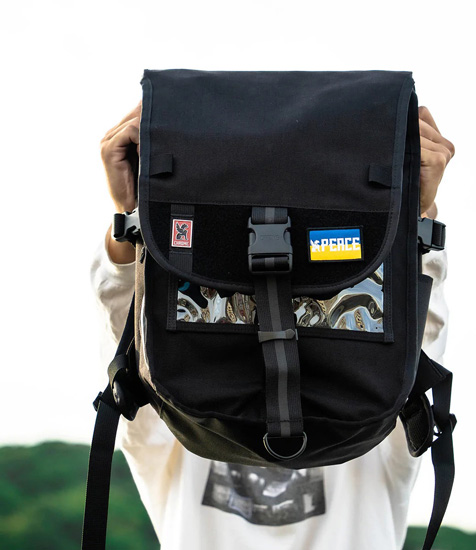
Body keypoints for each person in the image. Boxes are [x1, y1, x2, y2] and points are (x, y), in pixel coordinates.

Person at [91, 102, 455, 550]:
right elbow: (134, 342)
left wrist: (418, 220)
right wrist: (131, 219)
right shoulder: (183, 395)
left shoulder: (369, 404)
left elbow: (414, 344)